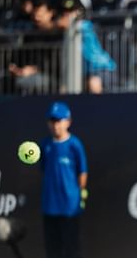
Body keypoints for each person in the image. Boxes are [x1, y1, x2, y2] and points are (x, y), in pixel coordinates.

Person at [40, 101, 88, 258]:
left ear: (68, 121)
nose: (55, 125)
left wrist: (80, 193)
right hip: (50, 206)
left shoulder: (75, 144)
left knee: (71, 248)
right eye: (52, 121)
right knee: (52, 249)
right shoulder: (45, 145)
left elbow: (82, 172)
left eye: (59, 121)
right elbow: (43, 169)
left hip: (70, 206)